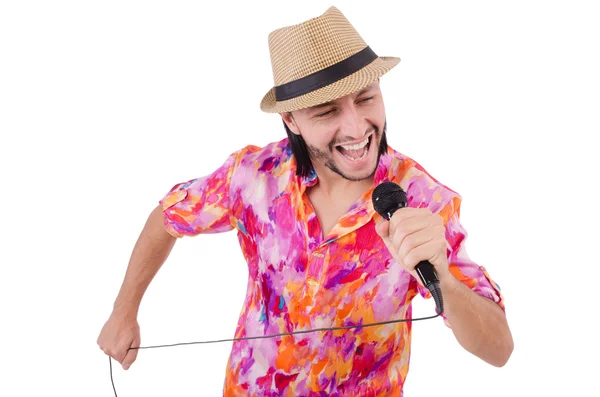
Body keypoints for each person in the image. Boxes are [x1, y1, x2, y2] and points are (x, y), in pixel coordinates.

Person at [97, 6, 513, 396]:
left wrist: (443, 277)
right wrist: (123, 310)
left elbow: (499, 349)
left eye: (366, 98)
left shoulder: (423, 201)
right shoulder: (254, 177)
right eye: (326, 111)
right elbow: (167, 218)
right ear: (291, 120)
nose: (356, 127)